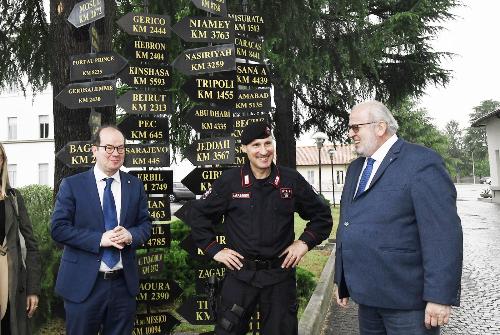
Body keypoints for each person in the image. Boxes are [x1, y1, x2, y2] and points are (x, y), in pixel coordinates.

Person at [187, 122, 333, 335]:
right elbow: (197, 215)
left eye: (267, 143)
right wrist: (215, 250)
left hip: (279, 276)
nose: (263, 151)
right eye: (256, 145)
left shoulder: (290, 180)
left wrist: (304, 243)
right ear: (244, 149)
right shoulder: (230, 182)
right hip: (240, 275)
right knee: (228, 331)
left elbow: (322, 216)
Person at [334, 101, 463, 334]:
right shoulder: (355, 169)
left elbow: (443, 234)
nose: (350, 133)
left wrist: (439, 297)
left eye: (356, 128)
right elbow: (348, 222)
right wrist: (341, 279)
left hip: (408, 303)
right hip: (368, 300)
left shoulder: (421, 162)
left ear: (380, 127)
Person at [51, 126, 151, 335]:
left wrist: (131, 235)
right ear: (94, 150)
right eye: (109, 147)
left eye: (121, 148)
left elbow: (146, 225)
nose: (115, 153)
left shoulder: (135, 186)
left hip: (123, 285)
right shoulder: (72, 185)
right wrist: (99, 239)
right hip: (84, 286)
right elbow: (58, 229)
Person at [0, 143, 41, 335]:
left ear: (3, 162)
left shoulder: (14, 198)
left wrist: (33, 289)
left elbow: (31, 246)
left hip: (12, 282)